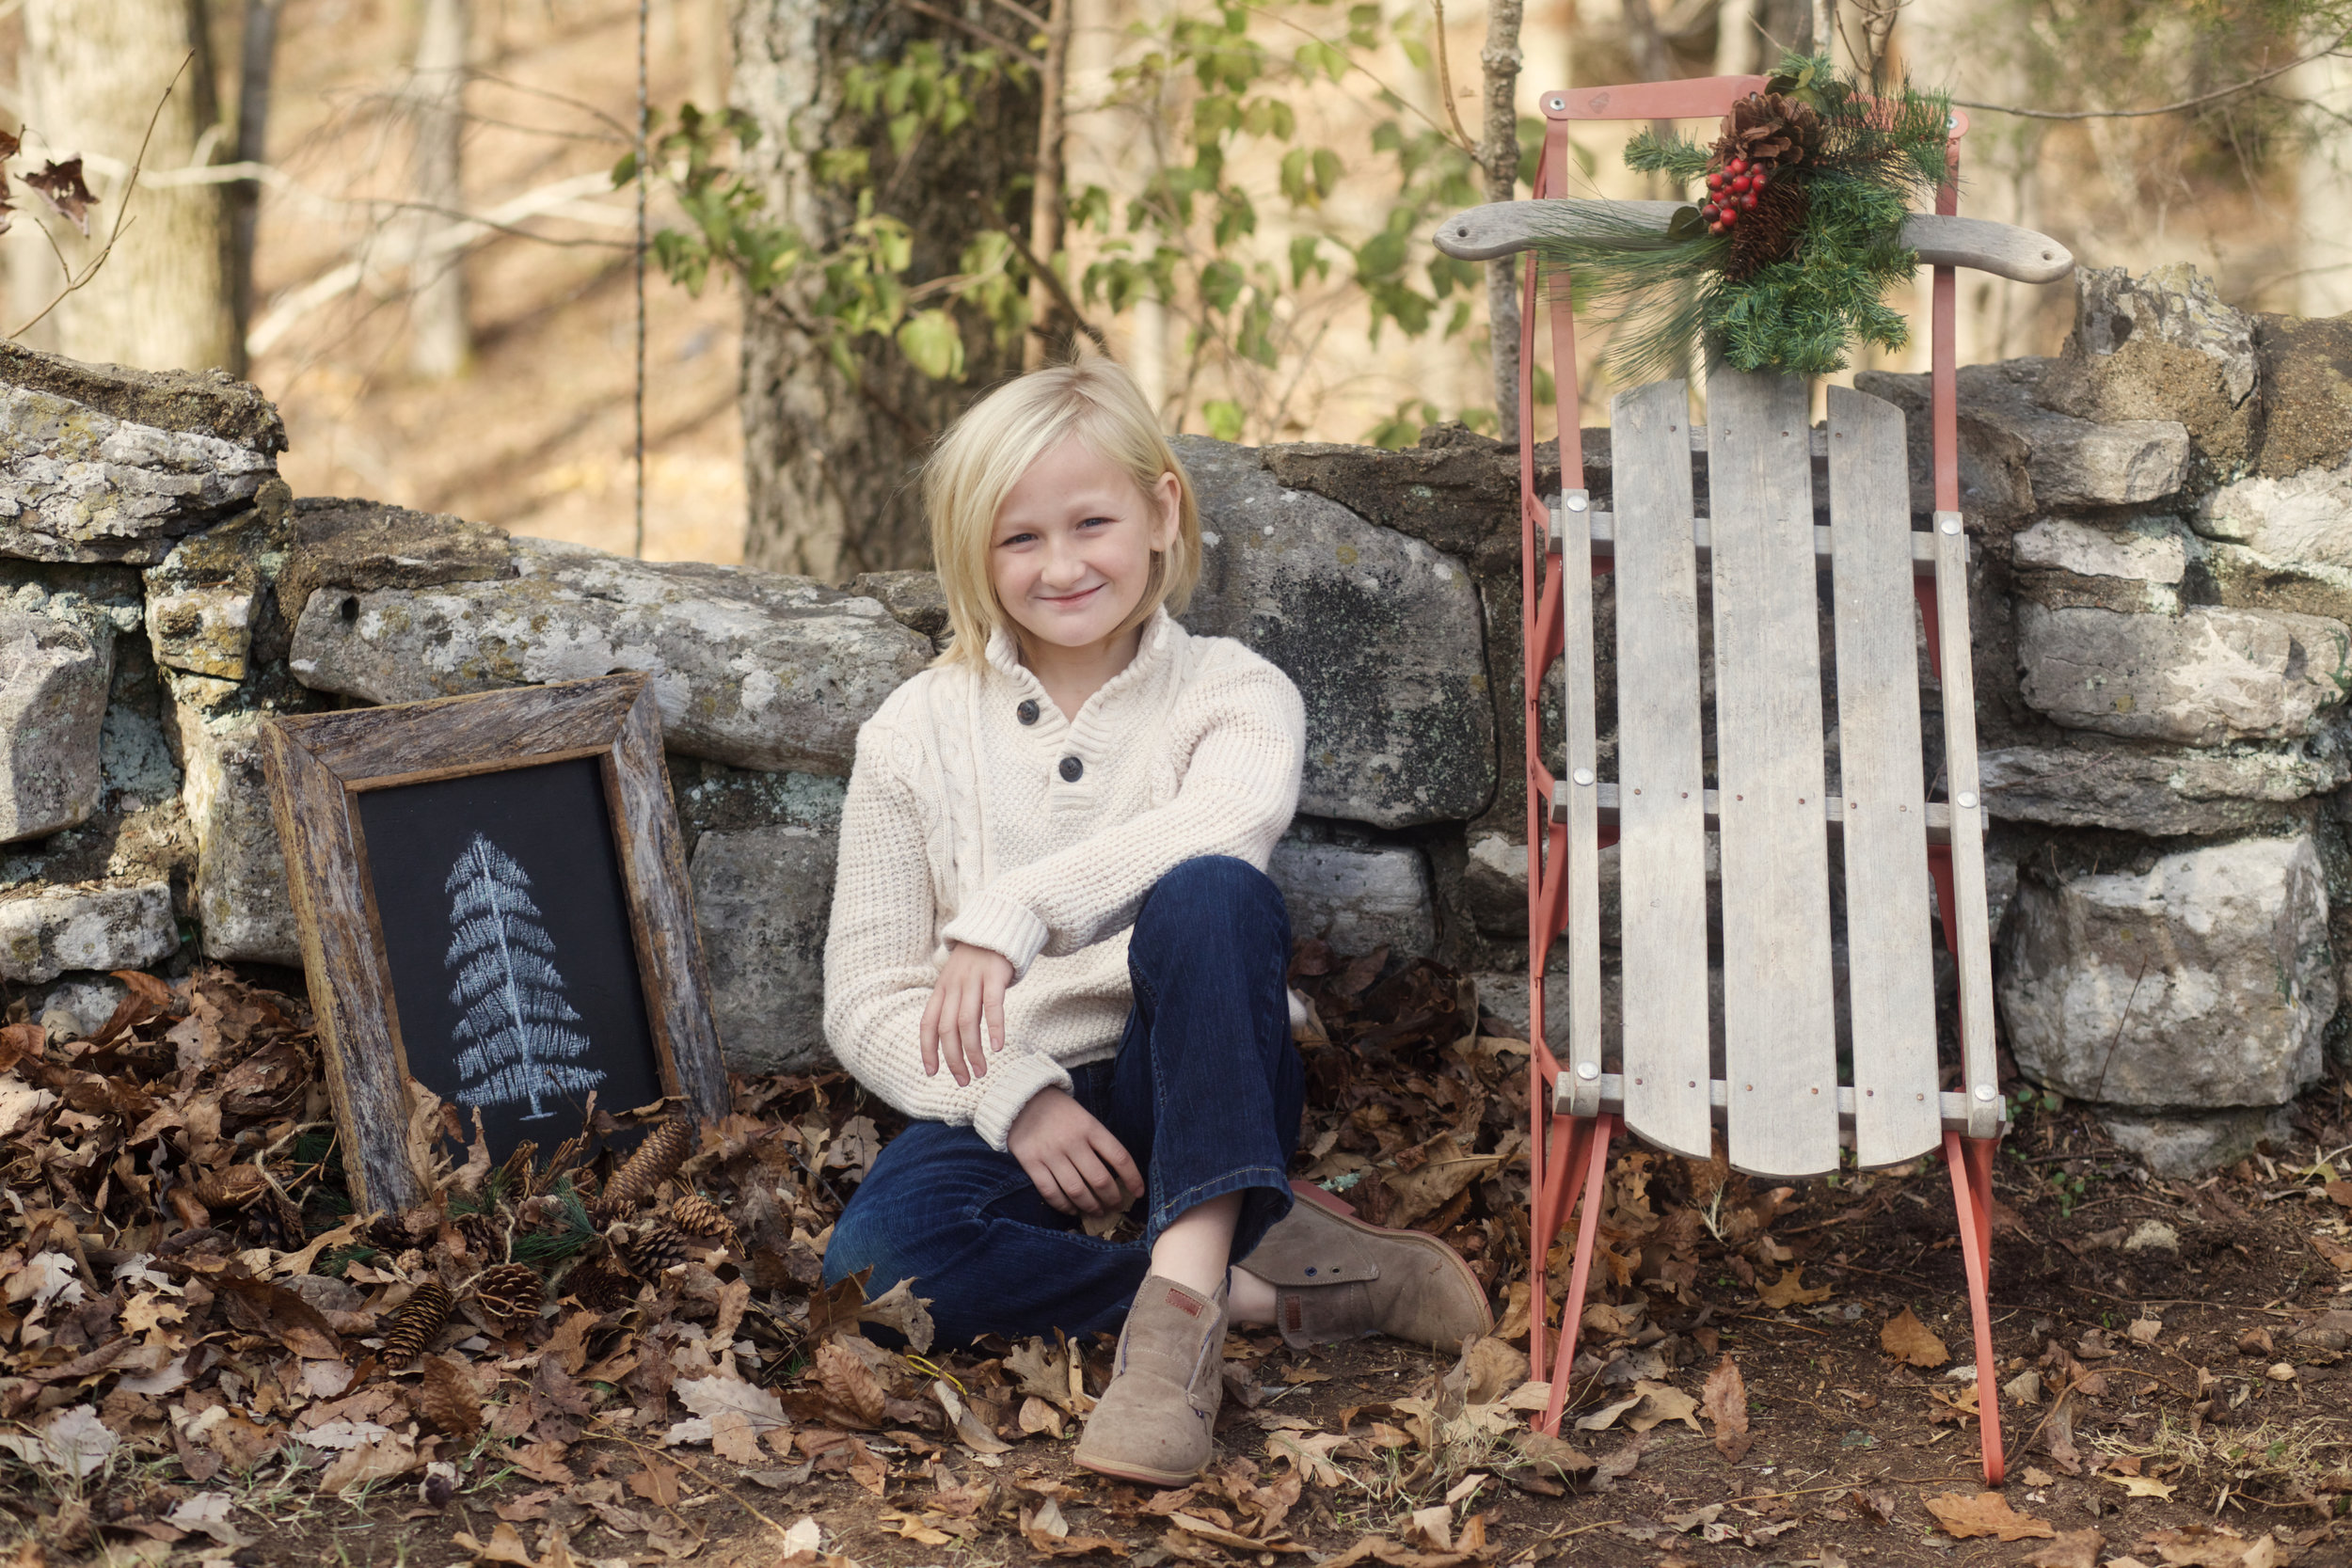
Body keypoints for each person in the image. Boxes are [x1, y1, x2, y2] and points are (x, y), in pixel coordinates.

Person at [818, 354, 1490, 1488]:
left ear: (1161, 509)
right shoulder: (911, 733)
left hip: (1198, 1069)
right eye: (1017, 537)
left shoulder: (1234, 690)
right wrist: (1010, 1095)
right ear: (969, 549)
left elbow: (1224, 824)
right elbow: (864, 994)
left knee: (1213, 893)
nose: (1062, 563)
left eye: (1091, 521)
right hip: (1012, 1086)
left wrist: (1014, 908)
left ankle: (1169, 1346)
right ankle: (1267, 1283)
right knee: (881, 1266)